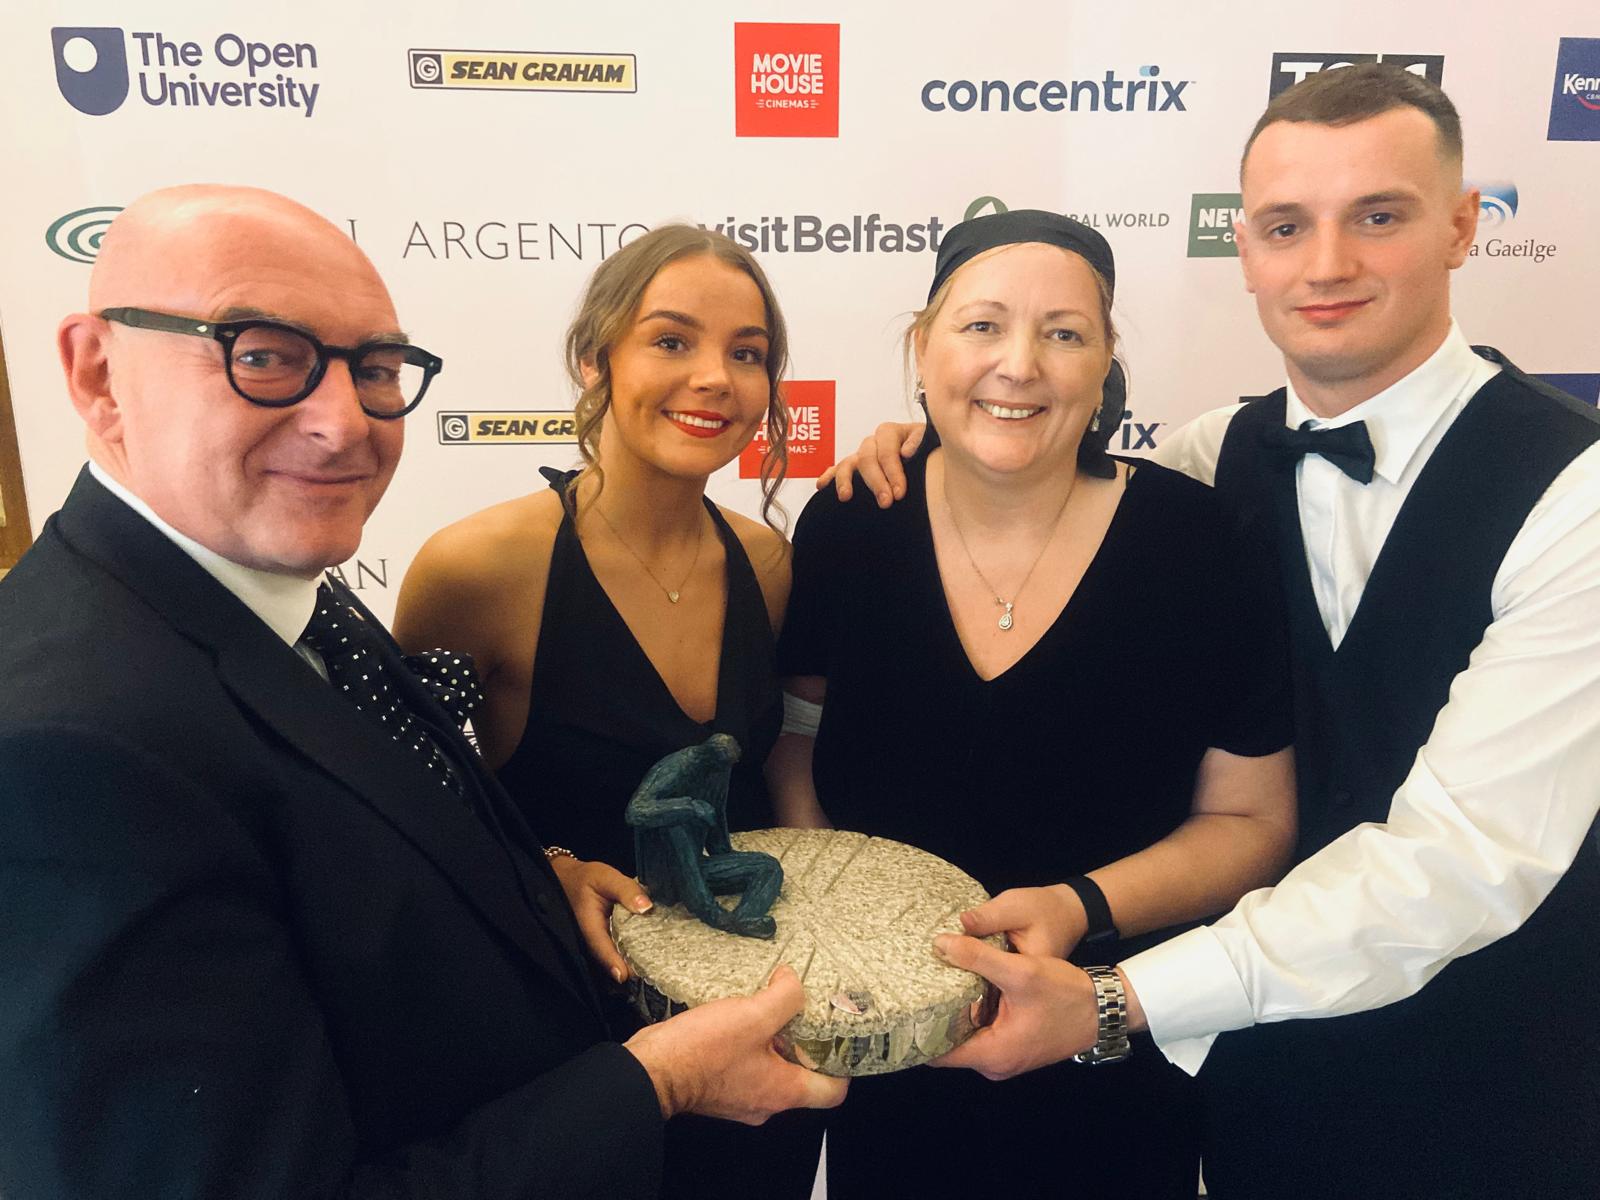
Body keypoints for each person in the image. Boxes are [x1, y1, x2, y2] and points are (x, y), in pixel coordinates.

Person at [835, 64, 1600, 1199]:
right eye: (1287, 226)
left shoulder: (1575, 494)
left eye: (1376, 218)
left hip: (1485, 1086)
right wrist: (939, 435)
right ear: (1242, 248)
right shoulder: (1207, 461)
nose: (1326, 264)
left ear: (1459, 228)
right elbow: (1038, 457)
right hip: (1240, 1091)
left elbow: (1461, 863)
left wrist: (1114, 998)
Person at [0, 185, 845, 1200]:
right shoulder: (68, 745)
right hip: (591, 1108)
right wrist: (655, 1082)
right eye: (263, 354)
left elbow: (404, 834)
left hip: (675, 1072)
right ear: (99, 373)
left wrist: (540, 874)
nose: (340, 421)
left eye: (373, 368)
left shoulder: (294, 594)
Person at [770, 208, 1297, 1198]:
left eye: (1063, 332)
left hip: (1113, 1037)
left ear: (1105, 368)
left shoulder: (1197, 543)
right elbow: (797, 741)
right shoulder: (848, 523)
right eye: (980, 326)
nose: (1019, 363)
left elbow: (1252, 819)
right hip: (890, 1051)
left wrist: (1076, 907)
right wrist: (838, 927)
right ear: (922, 349)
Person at [392, 224, 822, 1200]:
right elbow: (400, 818)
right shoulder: (478, 570)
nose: (713, 376)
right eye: (671, 340)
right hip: (563, 1070)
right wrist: (544, 865)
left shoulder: (767, 564)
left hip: (748, 1033)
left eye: (746, 353)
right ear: (596, 357)